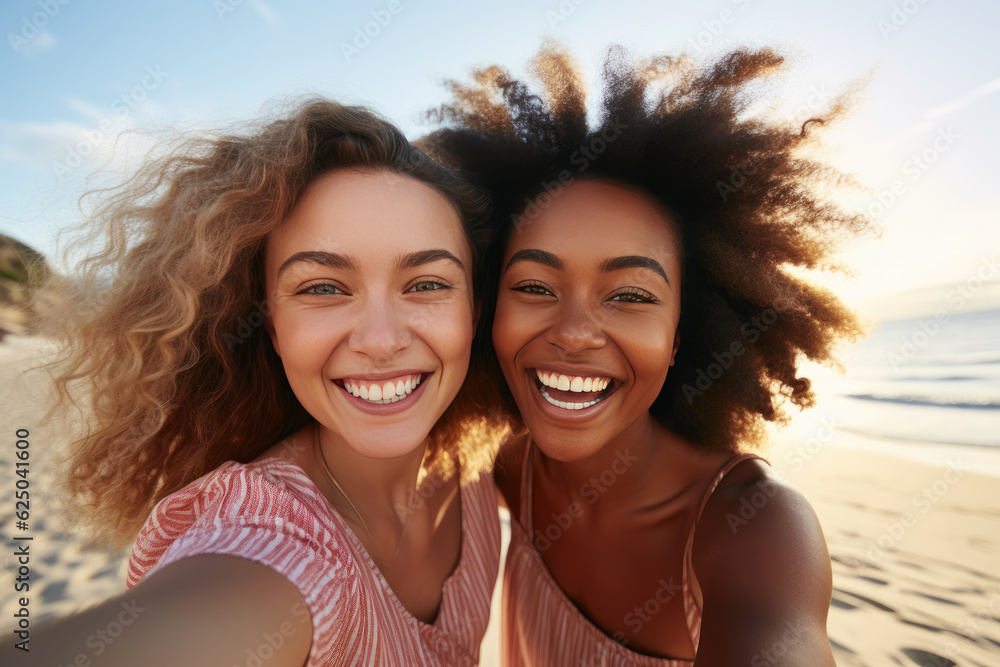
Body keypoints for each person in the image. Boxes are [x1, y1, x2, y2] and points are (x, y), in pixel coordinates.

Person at [421, 42, 870, 665]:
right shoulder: (507, 467)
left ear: (683, 332)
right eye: (532, 287)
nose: (575, 331)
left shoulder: (755, 526)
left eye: (630, 295)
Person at [21, 99, 503, 666]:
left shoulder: (479, 463)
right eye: (322, 288)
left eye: (426, 284)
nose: (380, 339)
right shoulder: (266, 541)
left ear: (475, 309)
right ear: (269, 323)